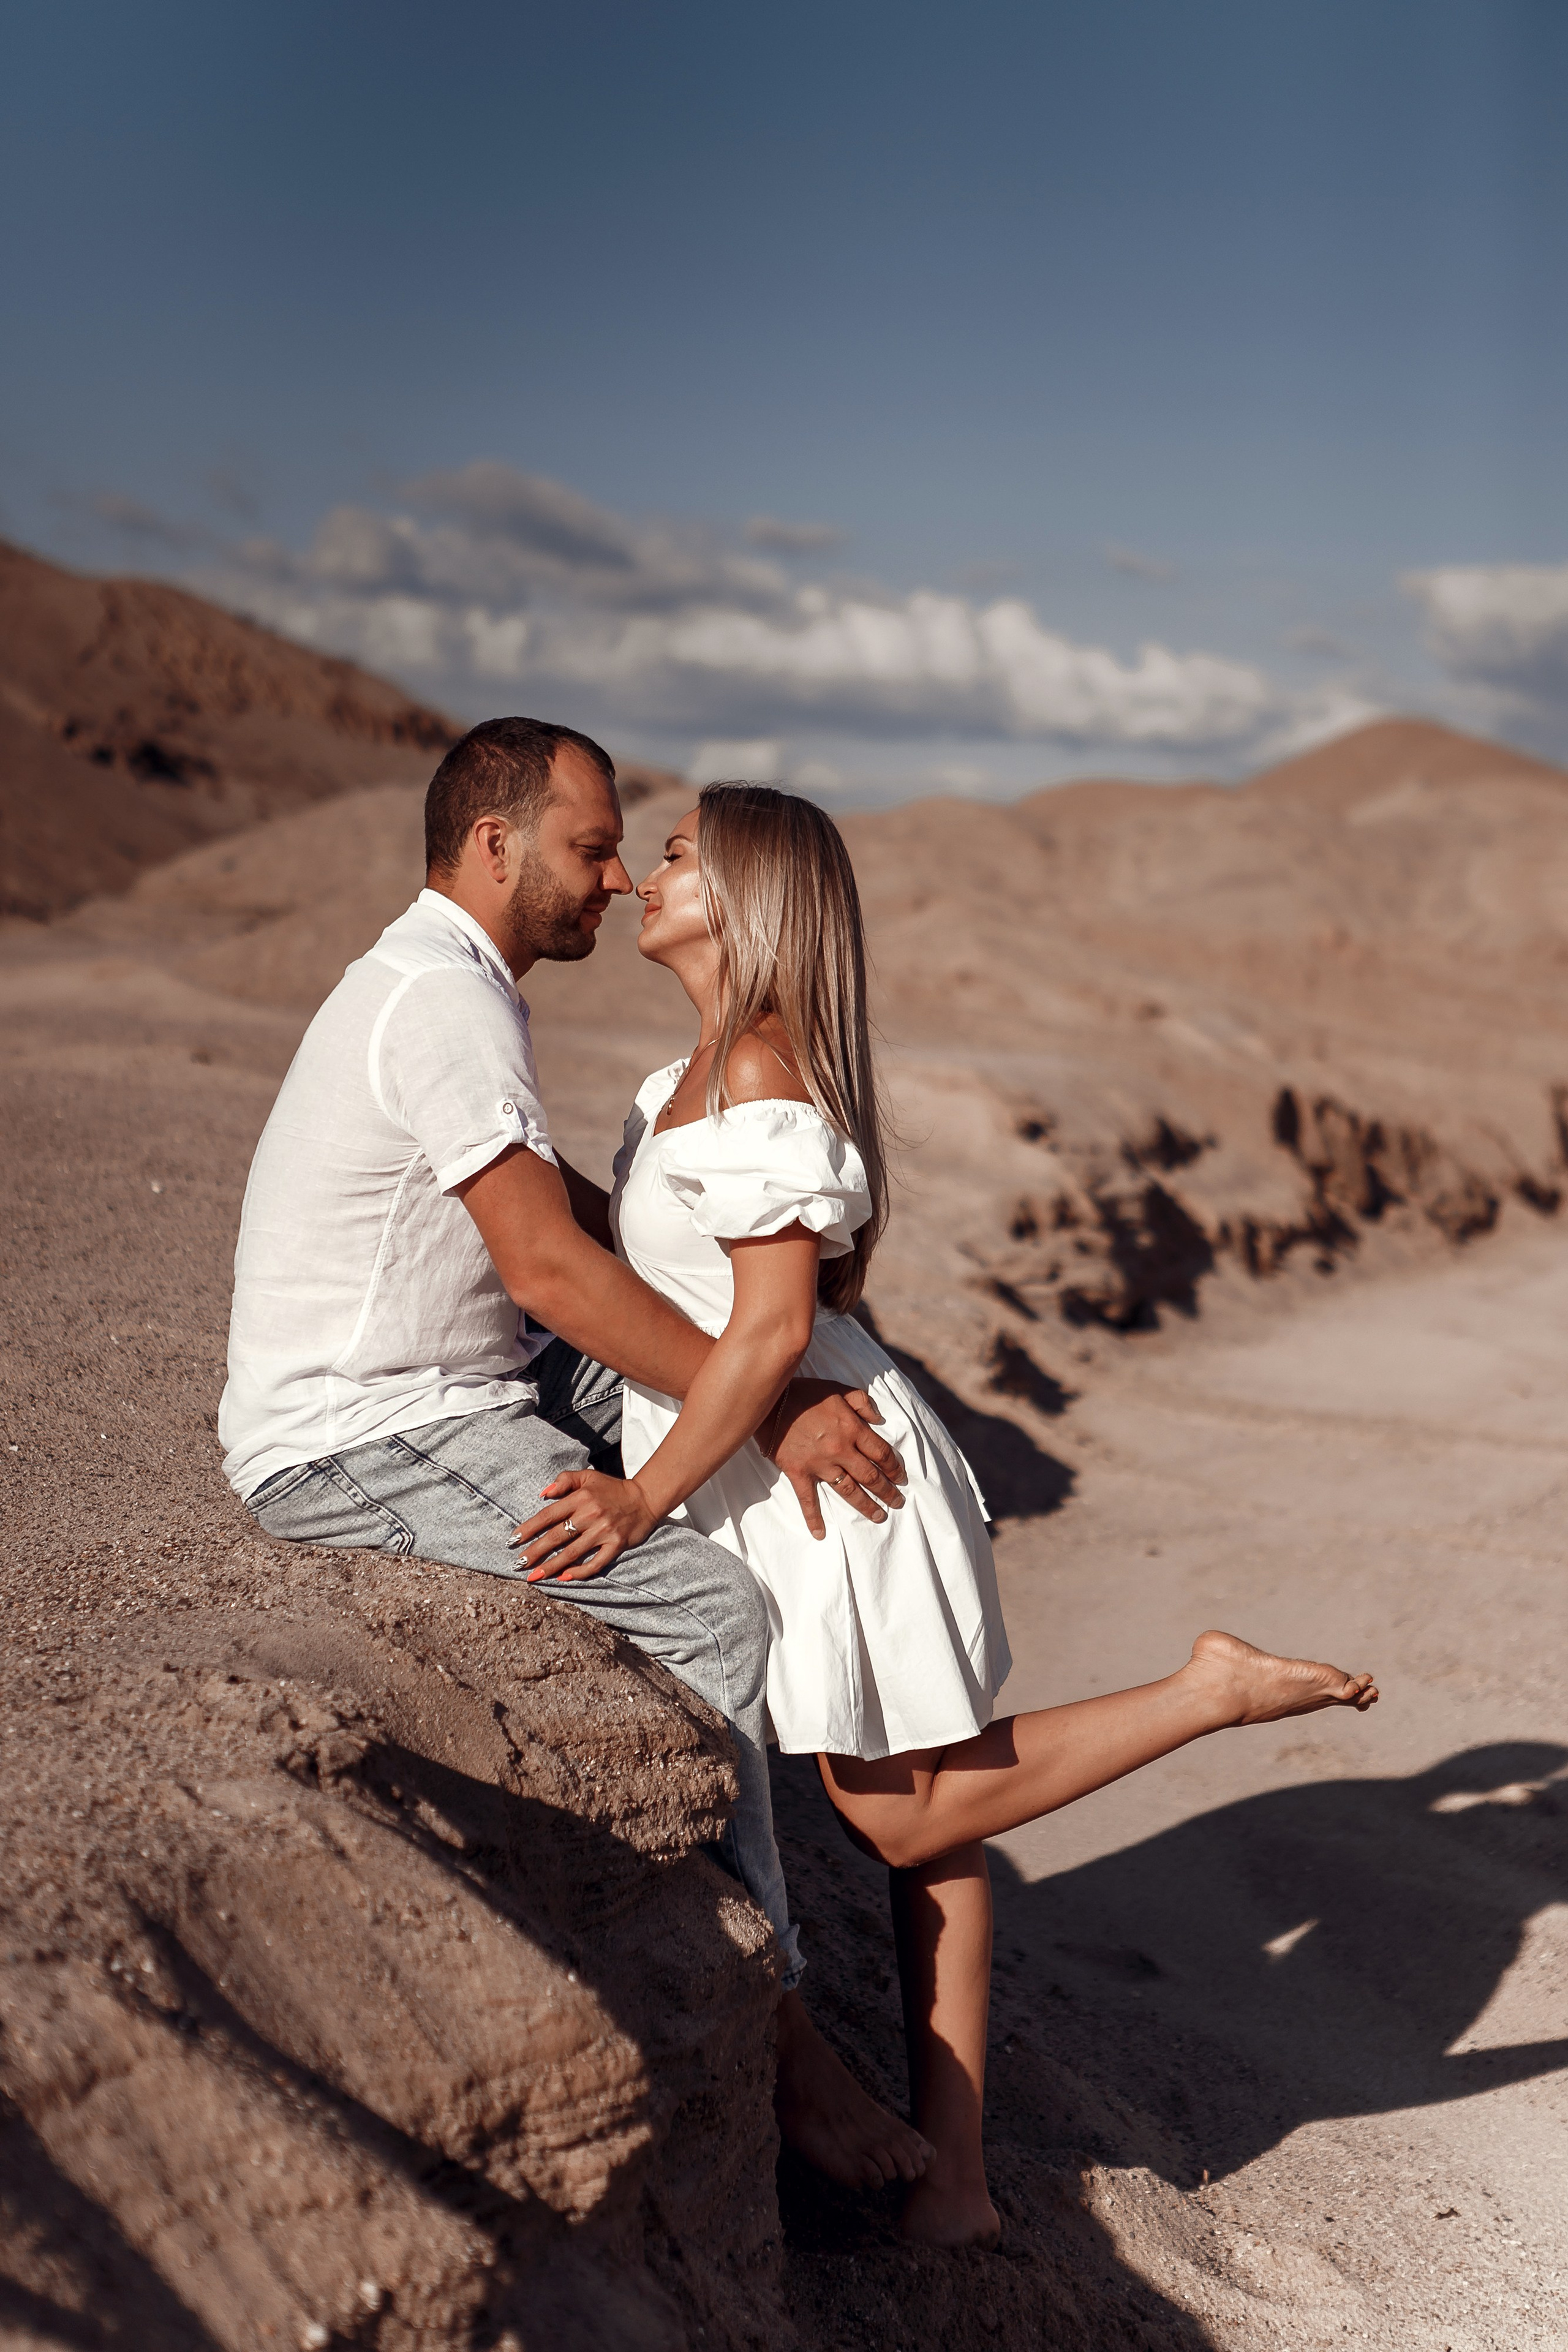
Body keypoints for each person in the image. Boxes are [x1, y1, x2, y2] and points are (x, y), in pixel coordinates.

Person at [508, 782, 1381, 2249]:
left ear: (748, 899)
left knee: (896, 1805)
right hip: (767, 1460)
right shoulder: (685, 1082)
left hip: (824, 1470)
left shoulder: (766, 1086)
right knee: (936, 1797)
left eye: (673, 858)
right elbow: (670, 1276)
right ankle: (960, 2182)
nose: (640, 879)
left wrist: (642, 1492)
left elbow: (773, 1333)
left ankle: (1204, 1690)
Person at [219, 717, 935, 2193]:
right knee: (709, 1607)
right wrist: (780, 1398)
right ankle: (784, 2030)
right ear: (497, 846)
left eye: (624, 853)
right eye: (592, 847)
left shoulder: (451, 984)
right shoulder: (438, 1000)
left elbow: (549, 1207)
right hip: (367, 1427)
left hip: (463, 1376)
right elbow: (543, 1268)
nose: (613, 880)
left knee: (697, 1417)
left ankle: (892, 1720)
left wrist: (737, 1357)